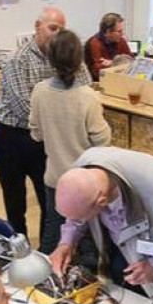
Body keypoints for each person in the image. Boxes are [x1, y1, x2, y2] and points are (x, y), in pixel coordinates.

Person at [0, 6, 92, 243]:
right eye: (53, 28)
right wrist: (64, 121)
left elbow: (86, 85)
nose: (57, 35)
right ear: (37, 27)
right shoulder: (16, 61)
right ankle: (20, 247)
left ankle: (51, 248)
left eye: (62, 29)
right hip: (12, 137)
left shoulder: (66, 56)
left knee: (49, 198)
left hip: (45, 139)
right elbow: (25, 110)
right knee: (15, 201)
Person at [50, 147, 153, 297]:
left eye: (81, 218)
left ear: (102, 202)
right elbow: (76, 215)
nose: (76, 222)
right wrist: (66, 243)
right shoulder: (83, 171)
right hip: (123, 250)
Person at [29, 30, 111, 254]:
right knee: (87, 243)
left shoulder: (39, 92)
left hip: (54, 179)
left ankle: (44, 283)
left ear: (50, 59)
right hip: (85, 183)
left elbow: (36, 134)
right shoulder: (88, 97)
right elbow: (102, 142)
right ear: (80, 61)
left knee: (52, 235)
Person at [83, 12, 132, 80]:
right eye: (119, 31)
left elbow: (130, 61)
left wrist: (112, 64)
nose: (122, 34)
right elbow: (97, 72)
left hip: (119, 79)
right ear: (108, 31)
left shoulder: (121, 41)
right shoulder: (94, 43)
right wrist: (117, 64)